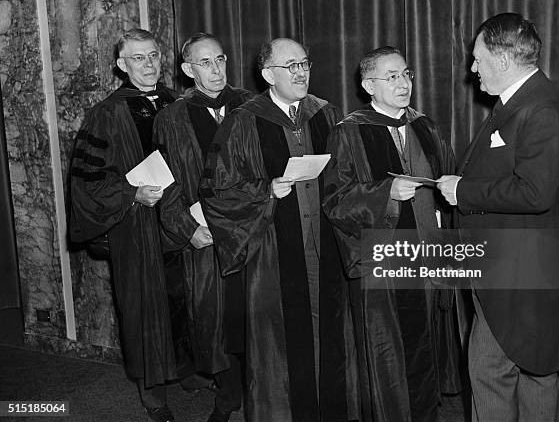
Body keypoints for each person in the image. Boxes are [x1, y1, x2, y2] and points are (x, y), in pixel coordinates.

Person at [200, 38, 356, 421]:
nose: (302, 72)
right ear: (269, 74)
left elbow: (347, 176)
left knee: (332, 331)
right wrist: (265, 189)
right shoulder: (244, 119)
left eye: (305, 63)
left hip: (325, 243)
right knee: (279, 340)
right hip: (273, 250)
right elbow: (216, 190)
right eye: (292, 66)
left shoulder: (325, 113)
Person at [437, 12, 559, 422]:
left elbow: (535, 193)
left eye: (477, 58)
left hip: (516, 269)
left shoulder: (540, 107)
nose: (472, 68)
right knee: (534, 370)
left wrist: (463, 190)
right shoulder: (521, 102)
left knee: (490, 370)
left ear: (501, 59)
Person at [323, 46, 458, 422]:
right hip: (385, 259)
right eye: (392, 76)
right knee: (387, 352)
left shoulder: (424, 125)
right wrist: (385, 194)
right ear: (369, 85)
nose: (403, 84)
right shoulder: (349, 131)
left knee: (425, 343)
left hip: (427, 255)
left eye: (406, 74)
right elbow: (334, 200)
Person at [70, 28, 178, 422]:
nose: (148, 65)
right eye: (137, 58)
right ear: (121, 65)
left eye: (152, 56)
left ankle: (189, 374)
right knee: (144, 305)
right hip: (136, 224)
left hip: (179, 220)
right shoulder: (106, 114)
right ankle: (153, 394)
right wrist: (131, 194)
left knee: (182, 298)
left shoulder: (177, 101)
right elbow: (87, 181)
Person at [153, 33, 252, 422]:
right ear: (187, 69)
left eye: (220, 60)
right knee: (218, 316)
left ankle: (264, 389)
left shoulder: (251, 105)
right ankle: (228, 397)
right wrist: (184, 227)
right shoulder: (172, 117)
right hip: (206, 234)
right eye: (205, 63)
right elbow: (167, 180)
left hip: (254, 229)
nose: (215, 69)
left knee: (256, 311)